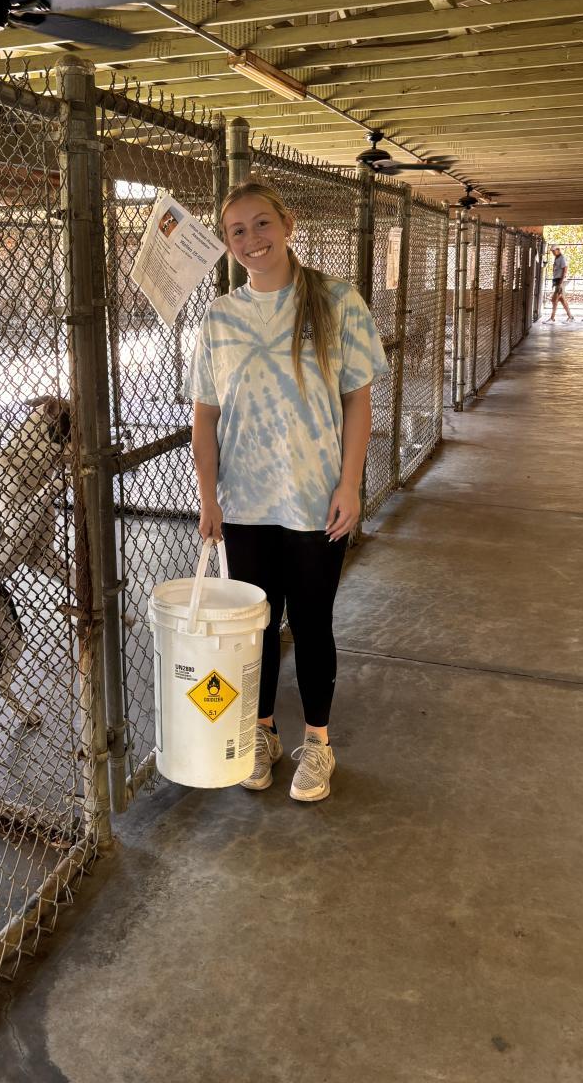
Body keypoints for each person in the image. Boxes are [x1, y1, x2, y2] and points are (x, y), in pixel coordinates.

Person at [188, 182, 387, 802]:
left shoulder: (334, 300)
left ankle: (318, 743)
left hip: (314, 498)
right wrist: (209, 497)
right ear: (227, 243)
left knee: (311, 622)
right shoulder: (220, 318)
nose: (252, 239)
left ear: (287, 223)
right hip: (245, 502)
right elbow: (205, 416)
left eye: (261, 223)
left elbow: (357, 400)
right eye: (237, 231)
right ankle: (264, 733)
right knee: (256, 627)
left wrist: (350, 483)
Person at [547, 245, 573, 322]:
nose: (553, 252)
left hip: (560, 281)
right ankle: (570, 316)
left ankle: (552, 317)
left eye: (554, 251)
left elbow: (565, 269)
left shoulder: (562, 258)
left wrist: (561, 282)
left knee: (554, 300)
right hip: (557, 281)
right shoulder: (557, 258)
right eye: (552, 251)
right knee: (562, 300)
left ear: (558, 250)